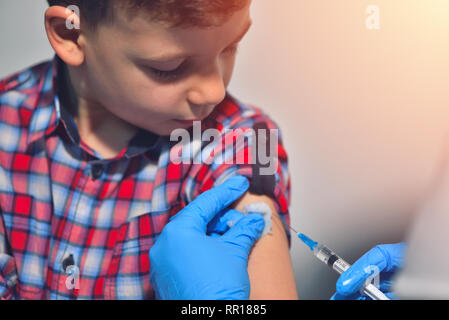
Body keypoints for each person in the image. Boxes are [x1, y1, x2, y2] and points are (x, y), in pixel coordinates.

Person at [0, 0, 298, 299]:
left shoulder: (243, 140)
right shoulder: (6, 123)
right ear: (71, 33)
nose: (214, 91)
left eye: (231, 46)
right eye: (169, 67)